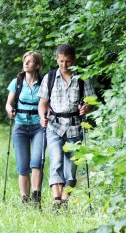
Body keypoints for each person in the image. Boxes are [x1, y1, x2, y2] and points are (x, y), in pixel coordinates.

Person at [38, 44, 96, 209]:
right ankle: (56, 200)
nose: (64, 65)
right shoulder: (49, 78)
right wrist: (43, 116)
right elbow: (42, 103)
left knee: (71, 165)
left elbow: (90, 101)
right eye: (61, 61)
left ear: (74, 60)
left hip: (74, 126)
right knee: (55, 160)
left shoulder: (83, 78)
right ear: (57, 59)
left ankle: (65, 200)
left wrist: (86, 107)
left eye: (68, 61)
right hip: (54, 125)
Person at [5, 51, 44, 206]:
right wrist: (9, 110)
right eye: (25, 61)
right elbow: (9, 103)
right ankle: (25, 199)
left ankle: (36, 196)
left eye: (30, 61)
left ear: (38, 65)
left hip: (38, 126)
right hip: (20, 126)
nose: (26, 63)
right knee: (22, 165)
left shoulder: (43, 82)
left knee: (36, 162)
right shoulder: (17, 82)